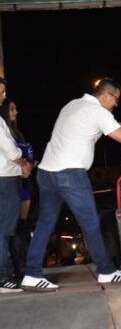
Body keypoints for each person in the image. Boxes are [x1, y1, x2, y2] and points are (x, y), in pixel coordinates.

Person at [21, 78, 121, 292]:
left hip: (46, 174)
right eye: (116, 99)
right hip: (70, 174)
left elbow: (110, 124)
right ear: (106, 95)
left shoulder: (73, 105)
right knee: (90, 224)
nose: (116, 104)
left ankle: (31, 274)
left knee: (45, 224)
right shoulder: (98, 113)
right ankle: (106, 271)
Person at [0, 77, 32, 293]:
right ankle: (4, 277)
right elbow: (10, 150)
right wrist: (23, 163)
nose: (3, 96)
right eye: (1, 92)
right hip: (5, 178)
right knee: (4, 230)